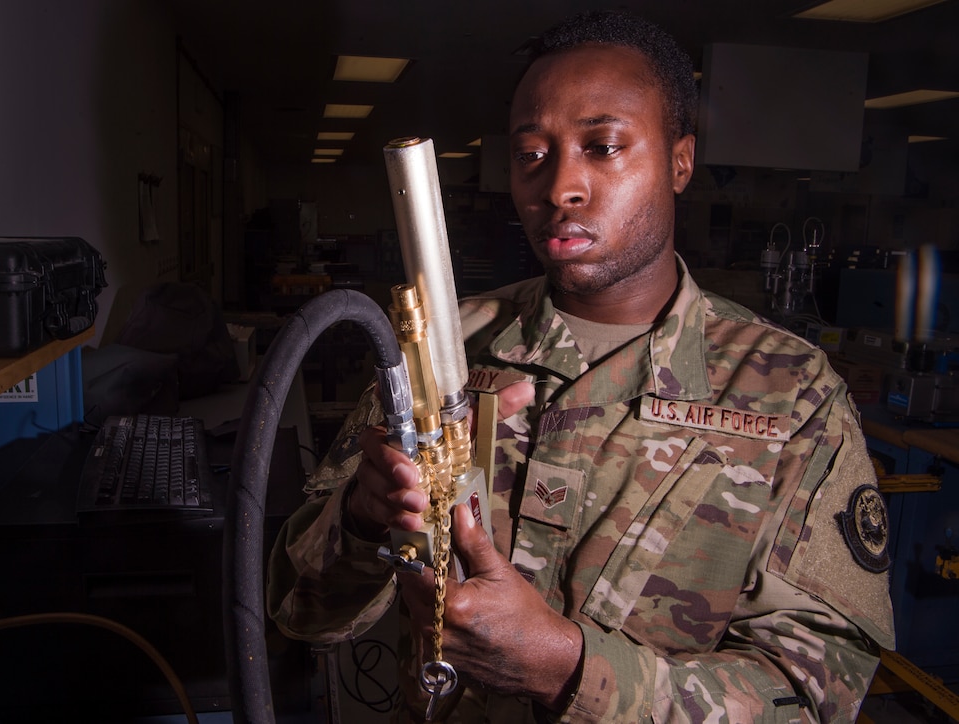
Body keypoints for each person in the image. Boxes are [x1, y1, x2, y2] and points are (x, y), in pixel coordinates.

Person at [268, 10, 894, 722]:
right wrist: (363, 515)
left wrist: (570, 671)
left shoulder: (791, 392)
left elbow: (817, 695)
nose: (560, 187)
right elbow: (299, 611)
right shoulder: (442, 352)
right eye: (531, 154)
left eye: (604, 147)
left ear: (680, 161)